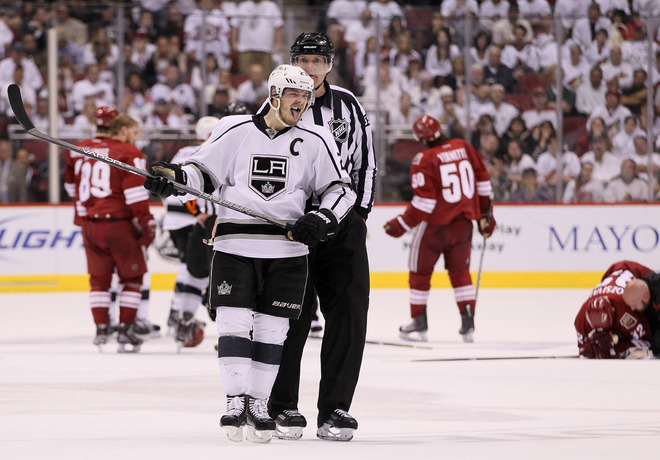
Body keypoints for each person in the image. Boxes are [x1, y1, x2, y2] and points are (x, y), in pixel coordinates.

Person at [143, 64, 356, 443]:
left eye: (306, 97)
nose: (302, 103)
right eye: (295, 95)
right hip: (234, 244)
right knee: (233, 323)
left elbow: (341, 189)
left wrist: (321, 217)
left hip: (288, 249)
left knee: (274, 331)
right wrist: (175, 179)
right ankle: (234, 400)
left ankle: (258, 403)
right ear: (274, 95)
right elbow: (203, 173)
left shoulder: (317, 137)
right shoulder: (234, 129)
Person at [265, 32, 377, 442]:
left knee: (349, 315)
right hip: (292, 226)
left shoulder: (348, 104)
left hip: (342, 224)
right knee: (289, 315)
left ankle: (336, 409)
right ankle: (282, 407)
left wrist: (358, 216)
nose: (310, 68)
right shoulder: (274, 105)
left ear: (329, 64)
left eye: (317, 61)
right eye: (303, 60)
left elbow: (366, 165)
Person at [384, 115, 496, 343]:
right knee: (461, 273)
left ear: (420, 138)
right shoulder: (463, 147)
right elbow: (484, 182)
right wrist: (486, 216)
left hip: (435, 227)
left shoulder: (424, 159)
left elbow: (425, 204)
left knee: (419, 272)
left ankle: (418, 321)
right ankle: (468, 322)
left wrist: (399, 225)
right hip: (463, 225)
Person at [65, 111, 156, 353]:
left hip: (90, 224)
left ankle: (102, 330)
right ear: (122, 127)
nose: (136, 139)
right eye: (135, 133)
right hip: (119, 225)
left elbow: (70, 187)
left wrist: (83, 213)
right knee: (132, 278)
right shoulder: (128, 153)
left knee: (98, 280)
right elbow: (136, 196)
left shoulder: (79, 149)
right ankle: (126, 330)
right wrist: (146, 223)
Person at [161, 116, 219, 348]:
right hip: (209, 222)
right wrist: (198, 213)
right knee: (216, 274)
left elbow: (176, 184)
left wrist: (197, 214)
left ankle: (182, 317)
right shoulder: (215, 151)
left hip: (190, 222)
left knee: (192, 270)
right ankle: (230, 327)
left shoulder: (183, 151)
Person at [574, 260, 653, 359]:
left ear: (613, 310)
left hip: (634, 271)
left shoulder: (627, 311)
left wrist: (618, 346)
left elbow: (648, 341)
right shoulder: (581, 321)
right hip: (612, 273)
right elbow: (583, 349)